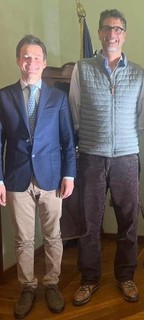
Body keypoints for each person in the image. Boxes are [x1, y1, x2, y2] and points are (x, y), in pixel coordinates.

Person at [69, 9, 144, 305]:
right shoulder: (82, 68)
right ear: (100, 34)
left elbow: (141, 119)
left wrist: (125, 142)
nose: (112, 33)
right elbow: (74, 112)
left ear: (124, 35)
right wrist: (89, 139)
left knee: (128, 221)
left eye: (117, 29)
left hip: (127, 158)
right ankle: (89, 279)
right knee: (90, 222)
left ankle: (125, 276)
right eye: (106, 28)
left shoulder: (138, 73)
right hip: (91, 156)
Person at [0, 35, 76, 319]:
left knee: (53, 235)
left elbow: (68, 140)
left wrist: (69, 173)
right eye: (25, 57)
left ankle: (52, 283)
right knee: (23, 239)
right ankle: (28, 287)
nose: (30, 63)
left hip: (52, 178)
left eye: (36, 58)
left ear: (44, 63)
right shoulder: (3, 96)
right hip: (17, 178)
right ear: (18, 60)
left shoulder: (58, 98)